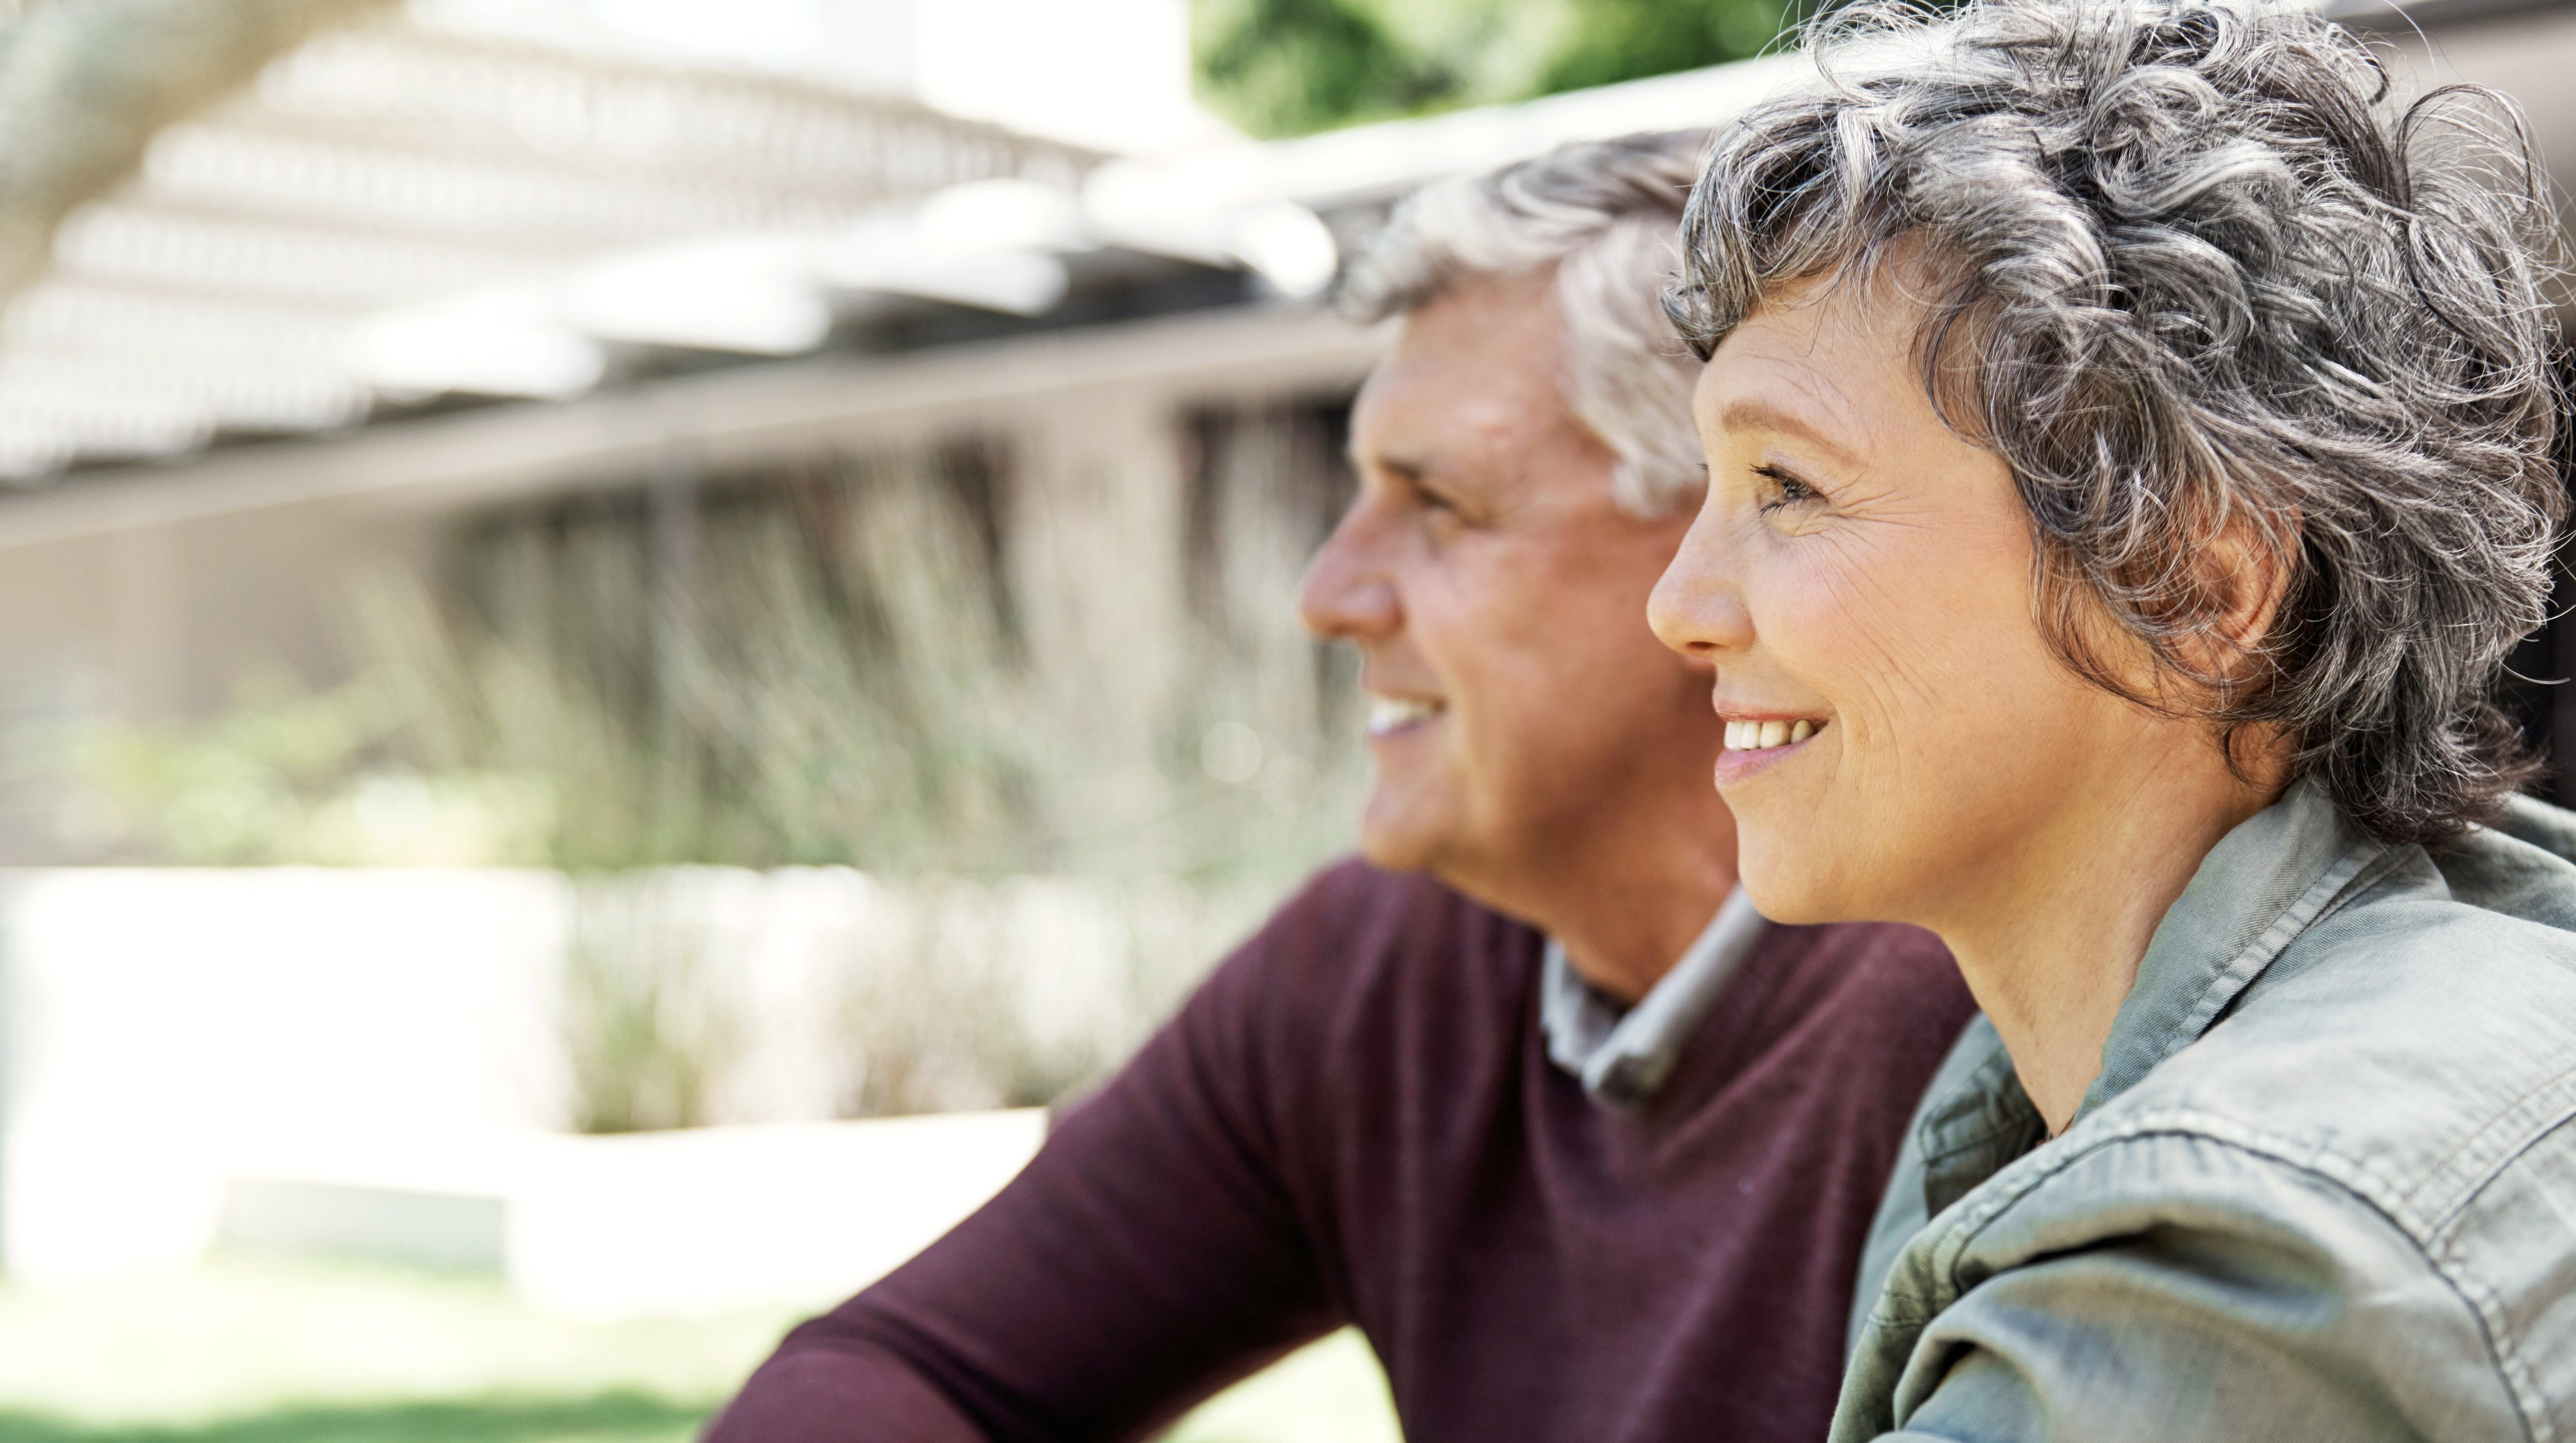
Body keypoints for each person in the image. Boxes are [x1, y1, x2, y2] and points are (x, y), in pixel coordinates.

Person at [702, 133, 1975, 1443]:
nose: (1328, 596)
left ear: (1716, 533)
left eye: (1437, 505)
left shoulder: (1988, 988)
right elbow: (903, 1367)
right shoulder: (1377, 970)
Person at [1646, 1, 2576, 1438]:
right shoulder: (2564, 935)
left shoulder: (2234, 1270)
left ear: (2195, 577)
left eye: (1791, 487)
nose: (1679, 603)